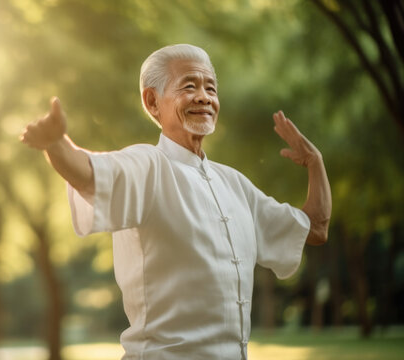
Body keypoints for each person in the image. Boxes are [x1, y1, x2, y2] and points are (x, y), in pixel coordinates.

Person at [19, 44, 332, 360]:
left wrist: (315, 163)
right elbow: (89, 172)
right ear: (152, 101)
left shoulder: (235, 185)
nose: (204, 97)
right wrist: (56, 145)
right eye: (189, 86)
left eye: (211, 88)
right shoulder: (148, 167)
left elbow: (315, 228)